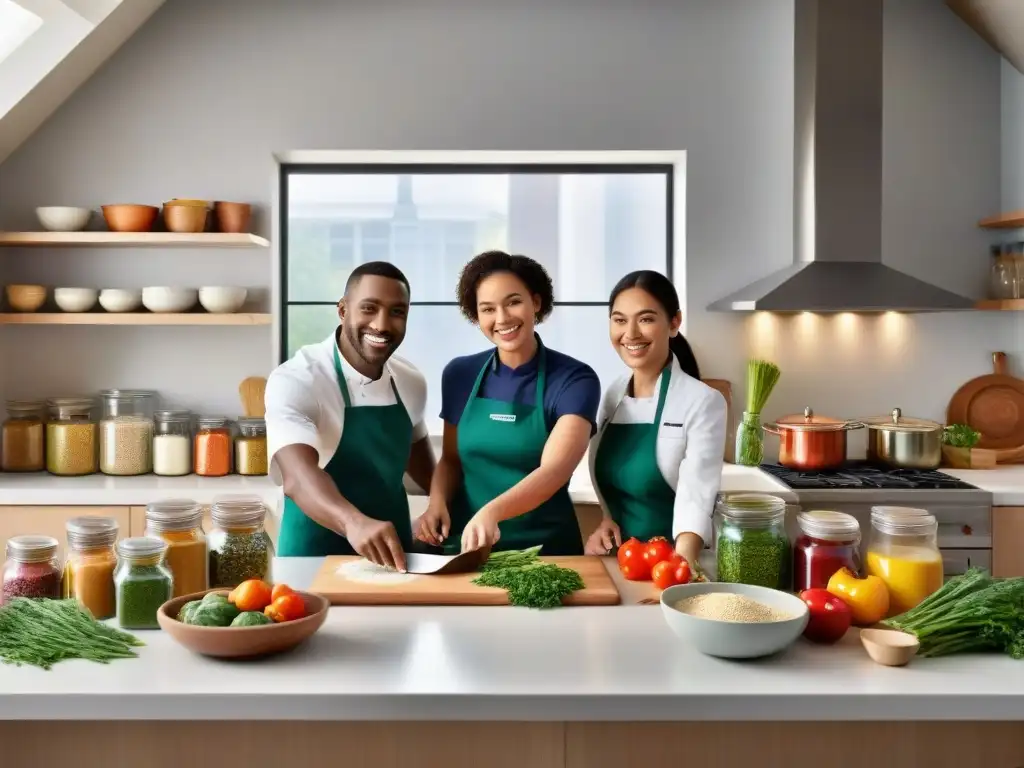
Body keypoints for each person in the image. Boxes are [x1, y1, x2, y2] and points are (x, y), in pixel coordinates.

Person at [414, 250, 601, 556]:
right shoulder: (460, 374)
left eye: (513, 302)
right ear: (476, 316)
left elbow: (553, 471)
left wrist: (492, 512)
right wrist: (436, 504)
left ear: (536, 303)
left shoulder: (574, 379)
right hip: (468, 546)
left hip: (545, 552)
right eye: (488, 309)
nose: (502, 319)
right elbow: (450, 460)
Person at [265, 261, 435, 570]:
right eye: (369, 308)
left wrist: (447, 508)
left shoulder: (410, 381)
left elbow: (426, 472)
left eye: (397, 312)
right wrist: (353, 522)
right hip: (312, 560)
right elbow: (298, 478)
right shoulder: (298, 379)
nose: (382, 324)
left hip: (392, 559)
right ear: (343, 310)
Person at [585, 270, 727, 570]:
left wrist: (679, 570)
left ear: (674, 323)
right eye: (620, 320)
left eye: (646, 319)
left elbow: (696, 496)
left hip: (678, 565)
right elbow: (613, 482)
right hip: (622, 562)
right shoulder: (613, 394)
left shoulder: (703, 401)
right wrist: (606, 522)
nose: (631, 333)